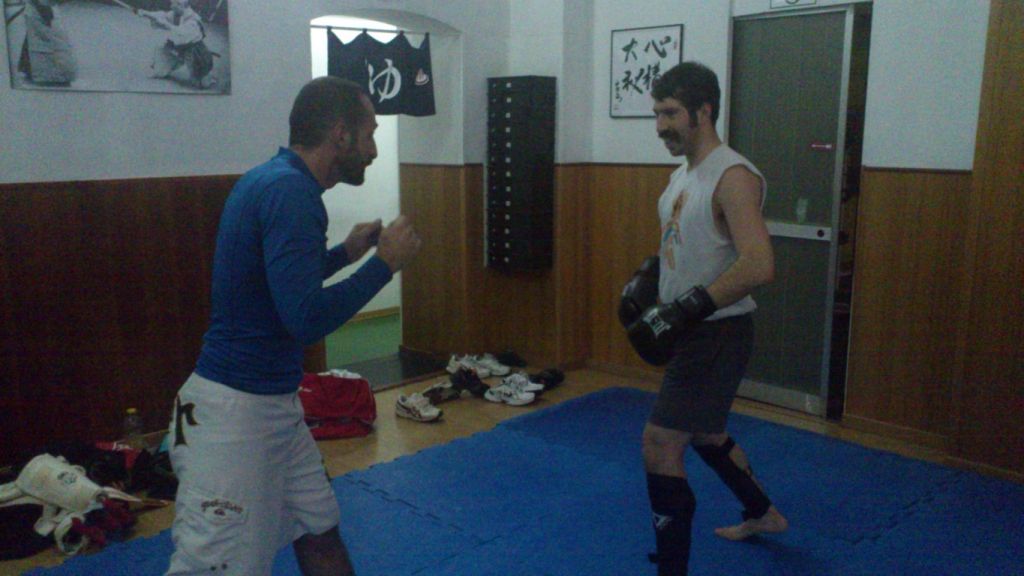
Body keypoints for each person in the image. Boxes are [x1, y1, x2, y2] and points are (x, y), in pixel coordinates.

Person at [165, 76, 422, 576]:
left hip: (273, 407)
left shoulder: (276, 179)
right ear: (340, 134)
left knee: (318, 528)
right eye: (369, 133)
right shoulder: (291, 193)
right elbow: (304, 318)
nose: (373, 149)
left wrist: (346, 253)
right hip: (235, 417)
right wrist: (383, 265)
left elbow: (280, 282)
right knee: (215, 566)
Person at [622, 62, 788, 575]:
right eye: (656, 113)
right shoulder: (681, 177)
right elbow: (687, 248)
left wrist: (687, 307)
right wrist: (651, 285)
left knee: (659, 443)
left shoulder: (732, 176)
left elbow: (759, 264)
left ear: (704, 111)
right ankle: (764, 513)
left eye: (671, 113)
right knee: (706, 434)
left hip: (717, 334)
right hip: (694, 332)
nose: (660, 126)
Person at [135, 0, 216, 89]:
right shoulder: (176, 13)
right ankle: (164, 68)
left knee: (202, 84)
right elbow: (162, 15)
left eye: (172, 4)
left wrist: (165, 24)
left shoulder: (193, 20)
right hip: (178, 47)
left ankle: (205, 77)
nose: (170, 6)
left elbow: (181, 33)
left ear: (180, 5)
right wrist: (145, 13)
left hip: (195, 51)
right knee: (160, 62)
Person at [16, 0, 77, 86]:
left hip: (41, 8)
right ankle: (32, 69)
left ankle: (28, 68)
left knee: (40, 38)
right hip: (41, 8)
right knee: (48, 40)